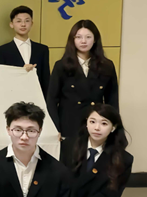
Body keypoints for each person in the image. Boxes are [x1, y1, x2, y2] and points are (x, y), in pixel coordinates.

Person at [47, 20, 118, 167]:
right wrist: (55, 128)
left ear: (95, 39)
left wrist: (112, 125)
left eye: (88, 37)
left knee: (94, 166)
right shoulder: (61, 66)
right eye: (78, 37)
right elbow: (52, 100)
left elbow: (112, 99)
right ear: (72, 40)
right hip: (69, 124)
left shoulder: (107, 65)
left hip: (96, 125)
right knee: (69, 167)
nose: (83, 41)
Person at [0, 6, 50, 97]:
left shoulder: (42, 49)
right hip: (11, 97)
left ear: (31, 23)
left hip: (36, 97)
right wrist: (21, 71)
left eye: (27, 21)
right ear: (11, 24)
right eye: (19, 21)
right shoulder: (2, 51)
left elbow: (46, 79)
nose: (23, 24)